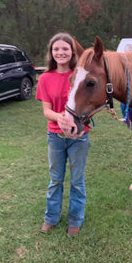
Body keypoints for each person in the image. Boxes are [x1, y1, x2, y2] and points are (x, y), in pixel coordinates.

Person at [36, 33, 90, 237]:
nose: (60, 52)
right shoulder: (45, 78)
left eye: (65, 49)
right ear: (51, 53)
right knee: (56, 179)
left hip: (79, 138)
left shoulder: (81, 75)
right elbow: (46, 110)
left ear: (72, 52)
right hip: (55, 137)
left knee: (77, 181)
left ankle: (76, 220)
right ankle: (51, 217)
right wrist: (60, 118)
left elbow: (89, 103)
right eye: (56, 49)